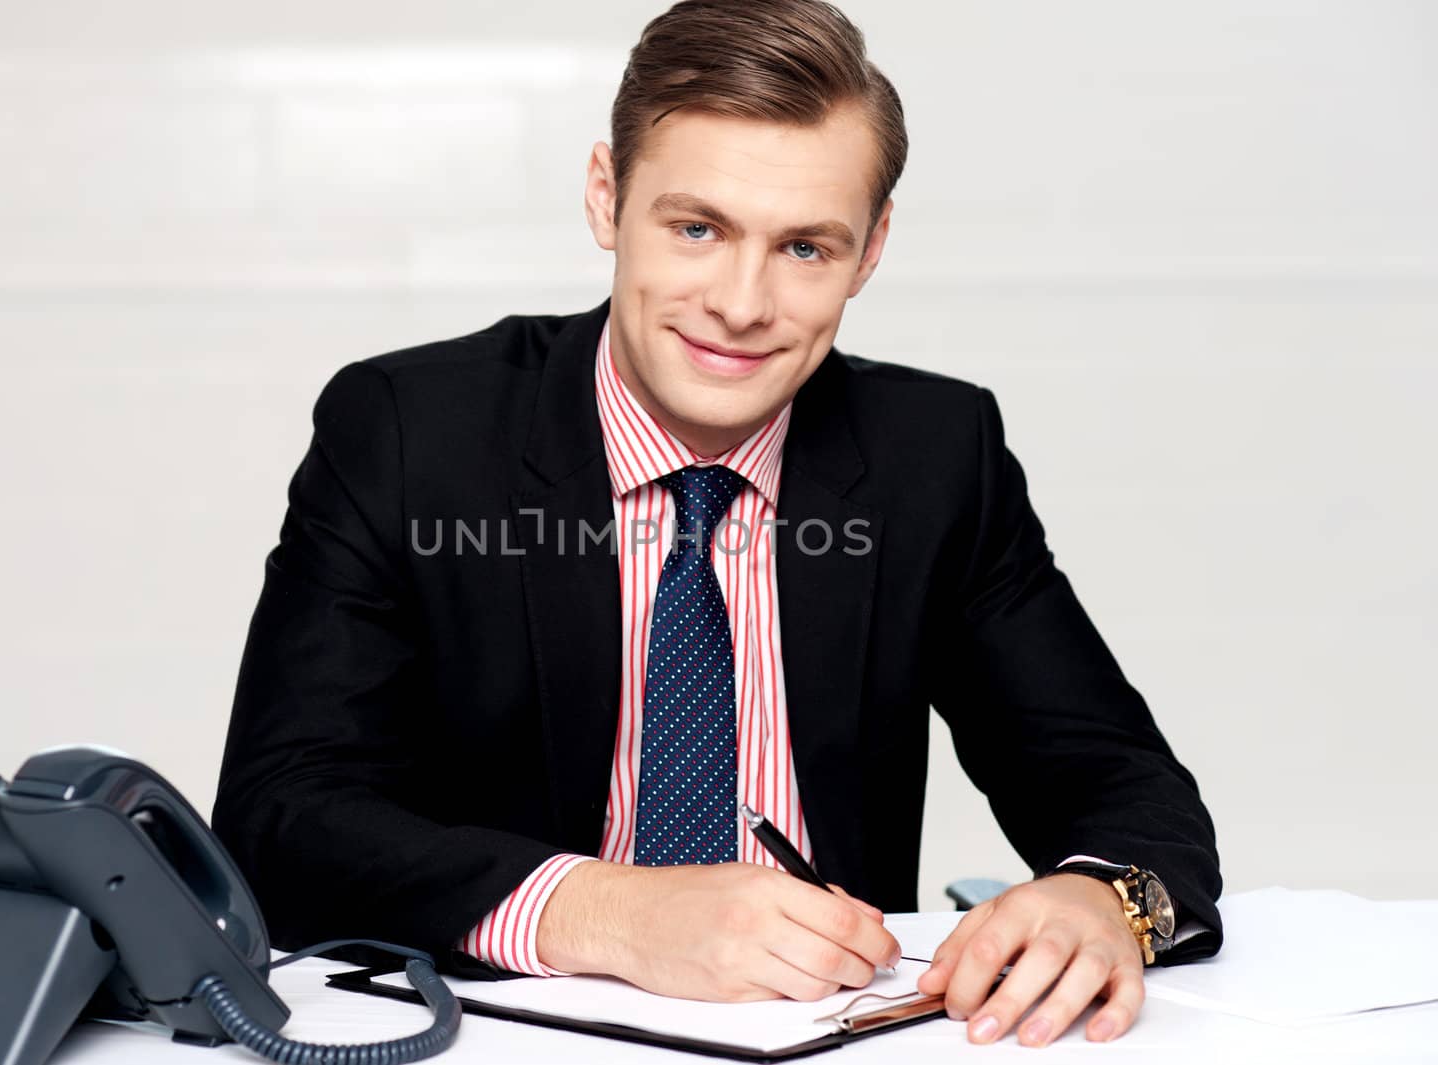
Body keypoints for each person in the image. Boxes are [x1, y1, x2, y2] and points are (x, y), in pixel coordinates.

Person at [212, 0, 1222, 1048]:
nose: (741, 304)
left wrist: (1103, 900)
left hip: (823, 1031)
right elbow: (280, 816)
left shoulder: (935, 452)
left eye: (804, 249)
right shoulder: (412, 431)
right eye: (697, 229)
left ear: (871, 250)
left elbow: (1123, 790)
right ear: (607, 198)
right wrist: (609, 913)